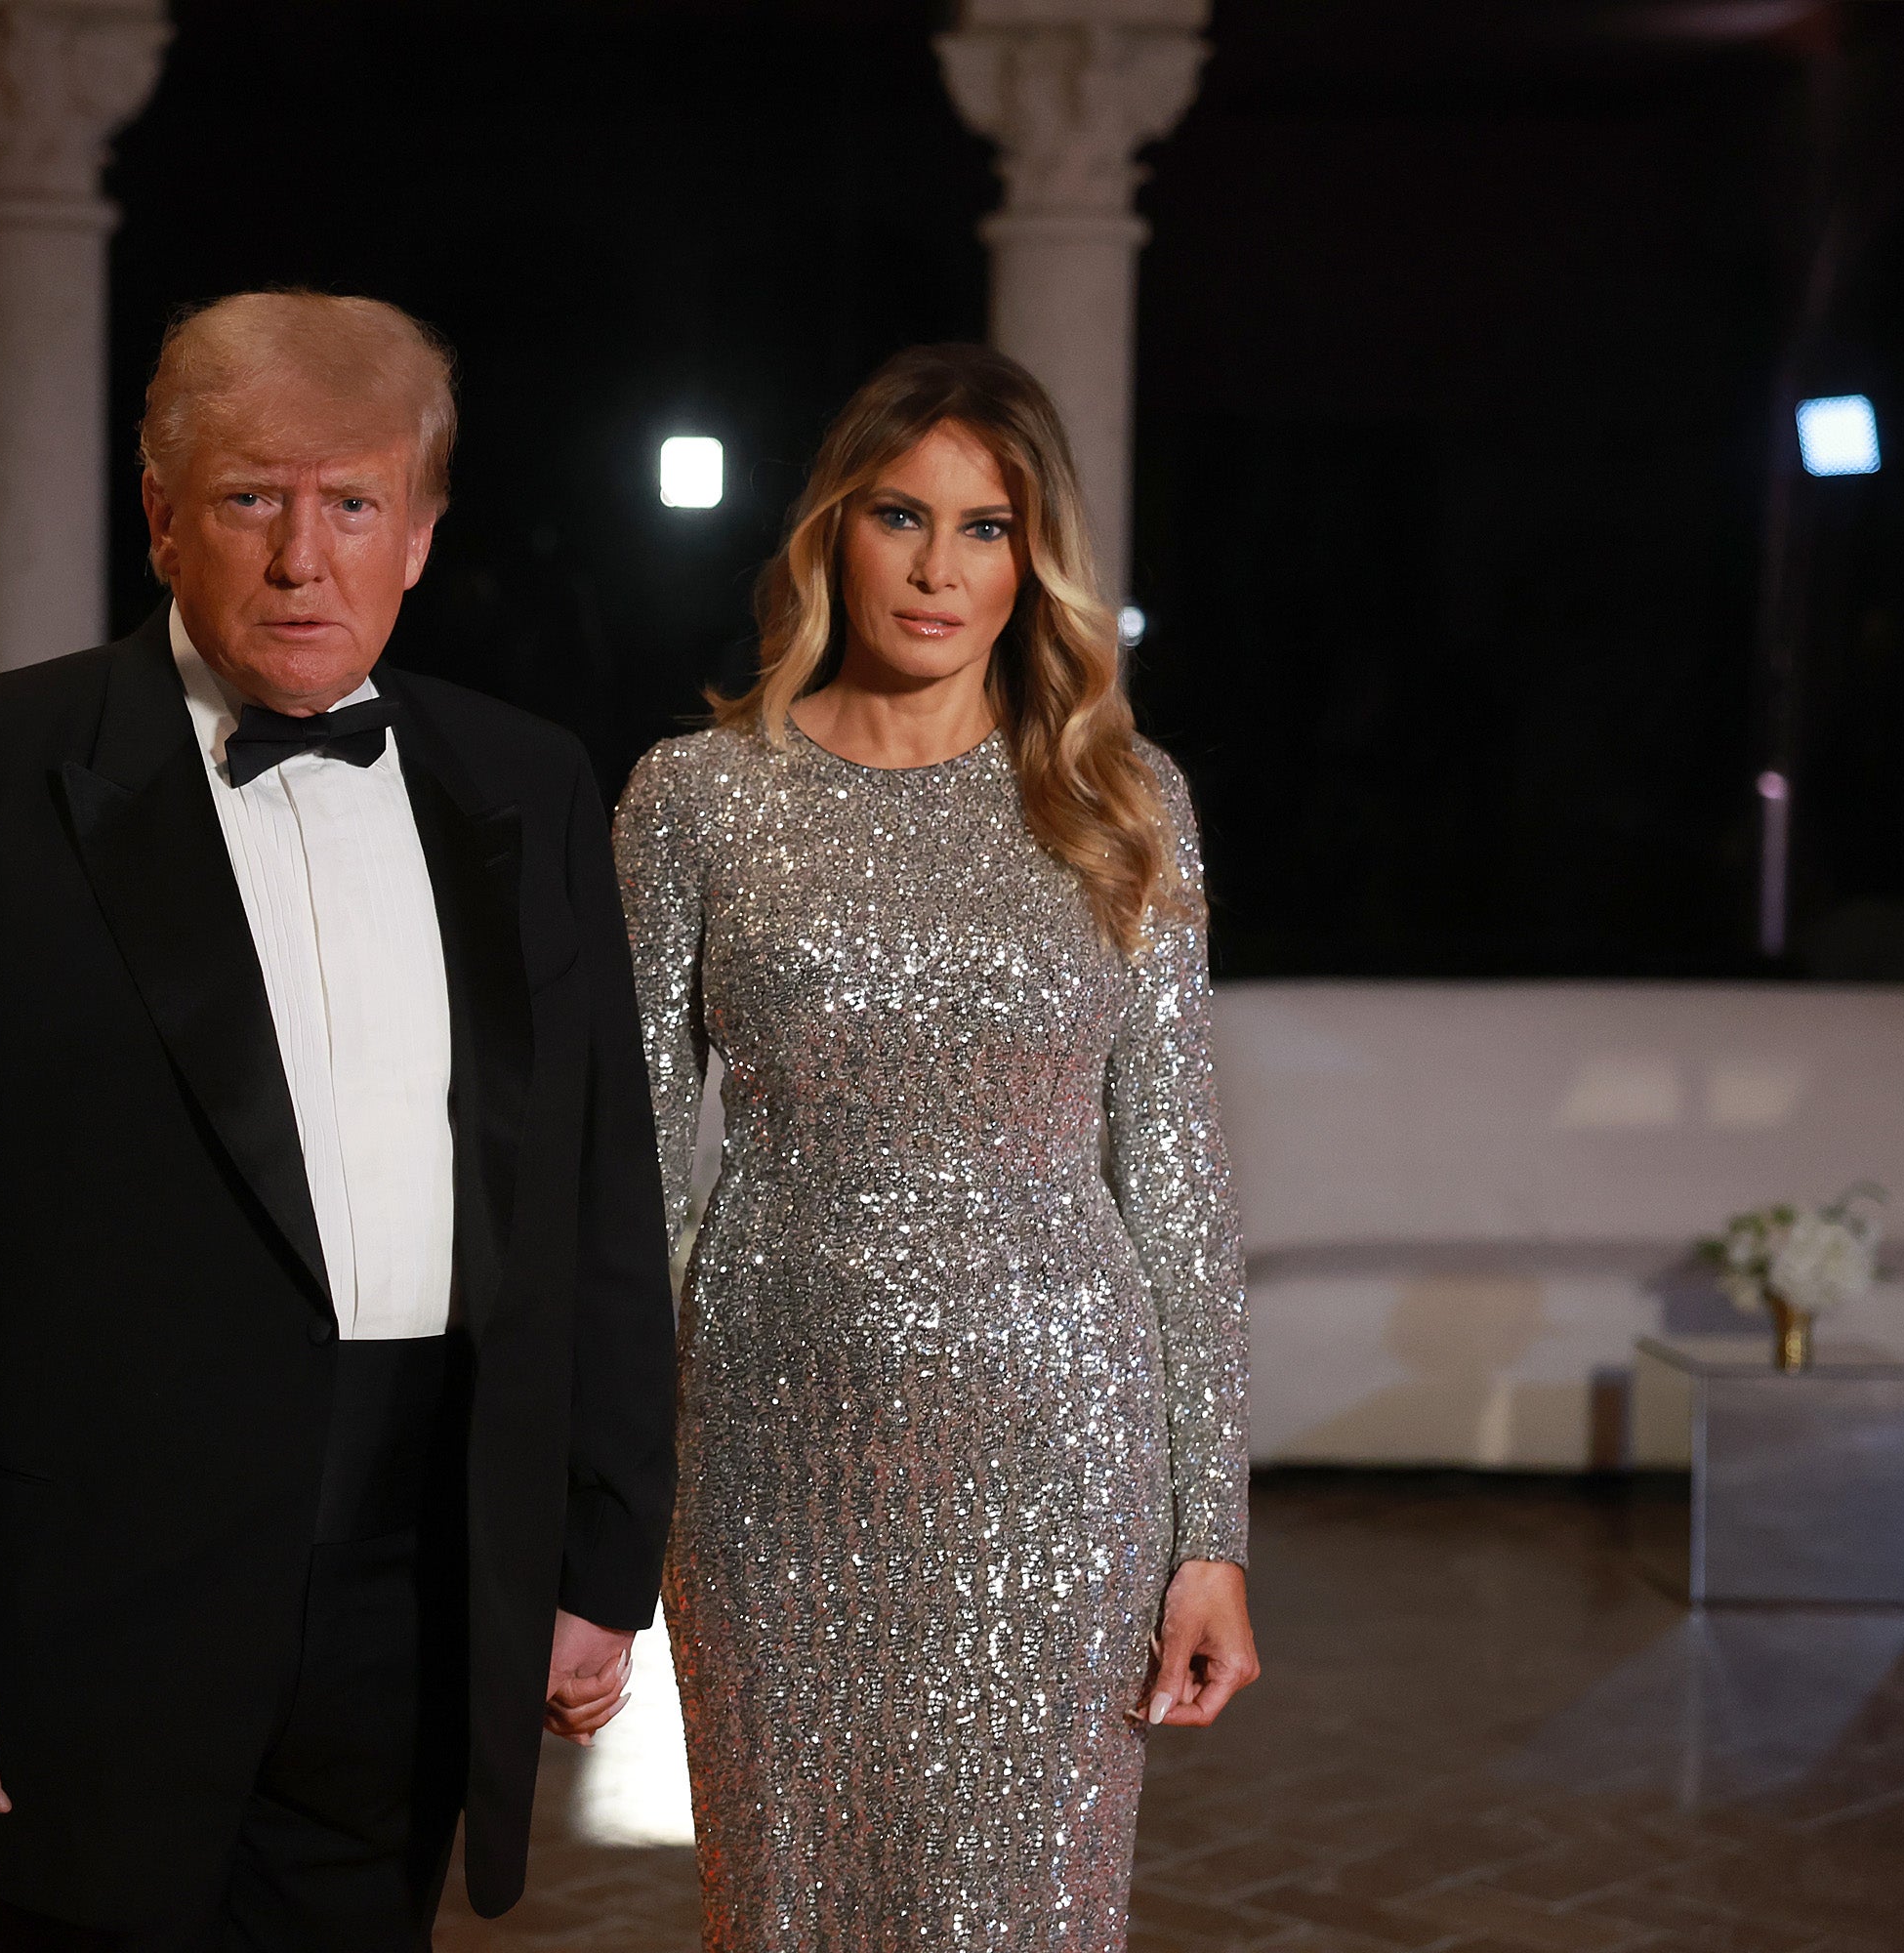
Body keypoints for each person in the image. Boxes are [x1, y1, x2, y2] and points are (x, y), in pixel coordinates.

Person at [0, 290, 677, 1952]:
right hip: (70, 1630)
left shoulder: (527, 782)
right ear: (163, 516)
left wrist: (598, 1559)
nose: (301, 558)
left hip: (417, 1611)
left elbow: (597, 1192)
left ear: (420, 531)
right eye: (255, 497)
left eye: (353, 504)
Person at [612, 342, 1259, 1950]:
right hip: (768, 1447)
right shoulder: (693, 801)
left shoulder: (1121, 801)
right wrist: (596, 1503)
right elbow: (623, 1184)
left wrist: (1210, 1538)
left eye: (987, 527)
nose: (938, 566)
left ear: (1034, 563)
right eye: (902, 515)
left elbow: (1175, 1183)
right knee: (784, 1909)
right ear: (833, 530)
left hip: (1061, 1456)